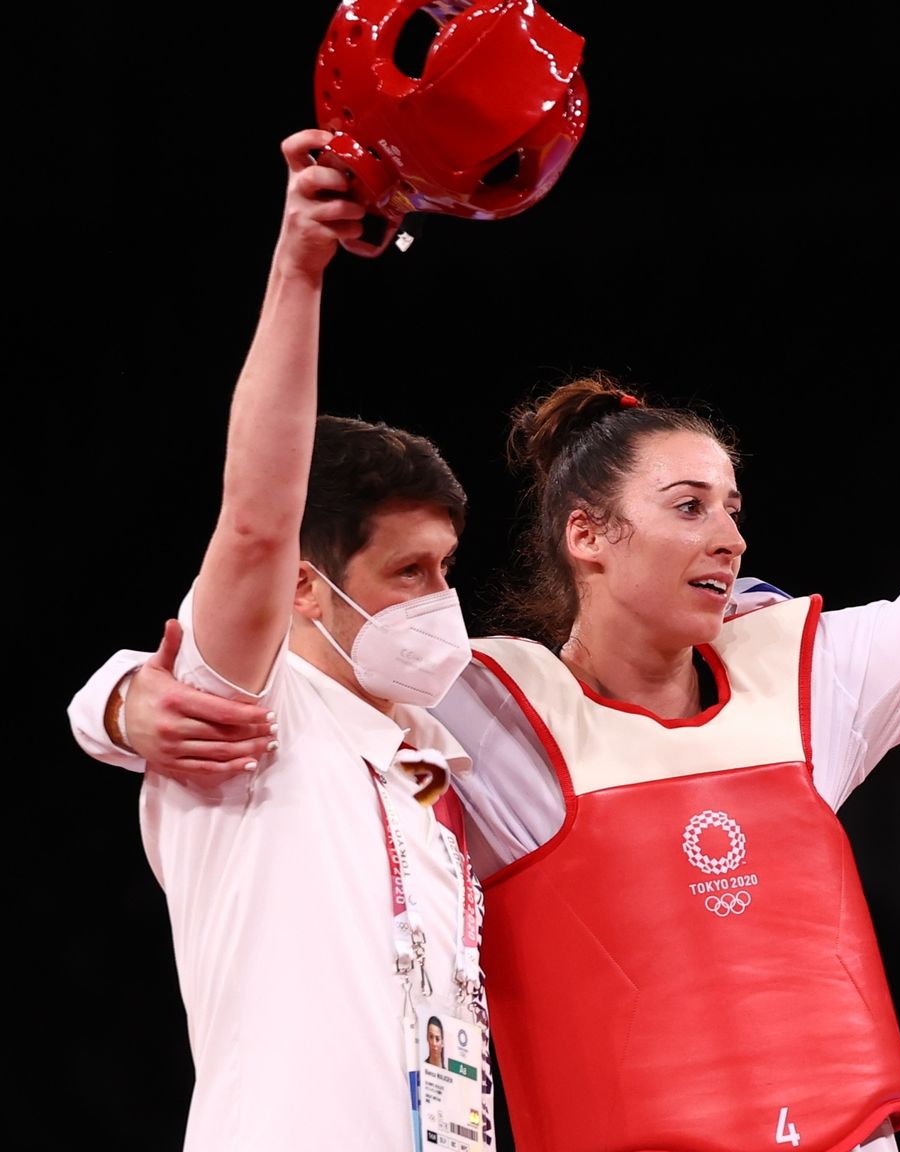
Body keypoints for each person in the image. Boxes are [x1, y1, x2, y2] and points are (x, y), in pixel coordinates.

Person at [73, 162, 900, 1152]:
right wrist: (121, 702)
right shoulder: (479, 710)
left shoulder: (811, 682)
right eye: (689, 507)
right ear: (586, 537)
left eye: (734, 506)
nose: (729, 535)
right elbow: (268, 649)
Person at [70, 126, 493, 1151]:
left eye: (445, 570)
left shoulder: (437, 769)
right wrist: (299, 264)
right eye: (406, 574)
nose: (439, 601)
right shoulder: (245, 706)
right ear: (306, 590)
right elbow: (258, 513)